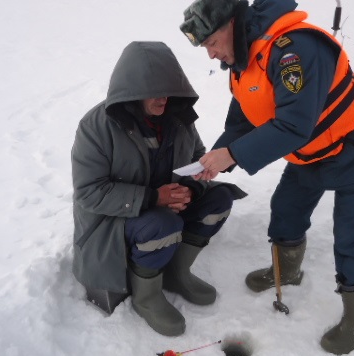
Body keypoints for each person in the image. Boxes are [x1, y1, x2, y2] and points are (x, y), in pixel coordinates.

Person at [179, 0, 354, 355]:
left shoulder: (293, 51)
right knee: (287, 210)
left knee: (352, 235)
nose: (212, 54)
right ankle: (288, 271)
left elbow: (295, 125)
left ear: (233, 23)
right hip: (311, 153)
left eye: (213, 42)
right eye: (206, 48)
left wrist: (232, 154)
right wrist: (215, 156)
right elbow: (244, 118)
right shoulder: (244, 61)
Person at [71, 41, 246, 337]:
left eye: (167, 89)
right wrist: (154, 198)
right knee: (162, 224)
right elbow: (89, 192)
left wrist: (189, 188)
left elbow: (197, 155)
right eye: (153, 91)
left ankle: (176, 274)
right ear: (132, 90)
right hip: (112, 222)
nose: (162, 98)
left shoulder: (177, 118)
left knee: (218, 198)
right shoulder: (96, 127)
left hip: (163, 209)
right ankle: (146, 296)